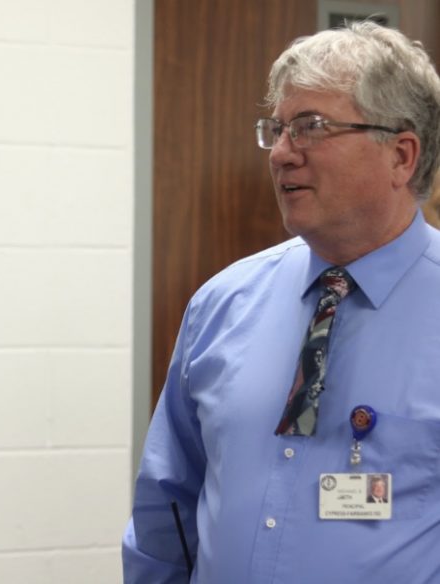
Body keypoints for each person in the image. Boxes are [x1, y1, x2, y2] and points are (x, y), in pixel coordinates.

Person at [123, 21, 440, 583]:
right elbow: (165, 509)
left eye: (311, 127)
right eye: (278, 129)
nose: (283, 155)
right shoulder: (222, 304)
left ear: (401, 155)